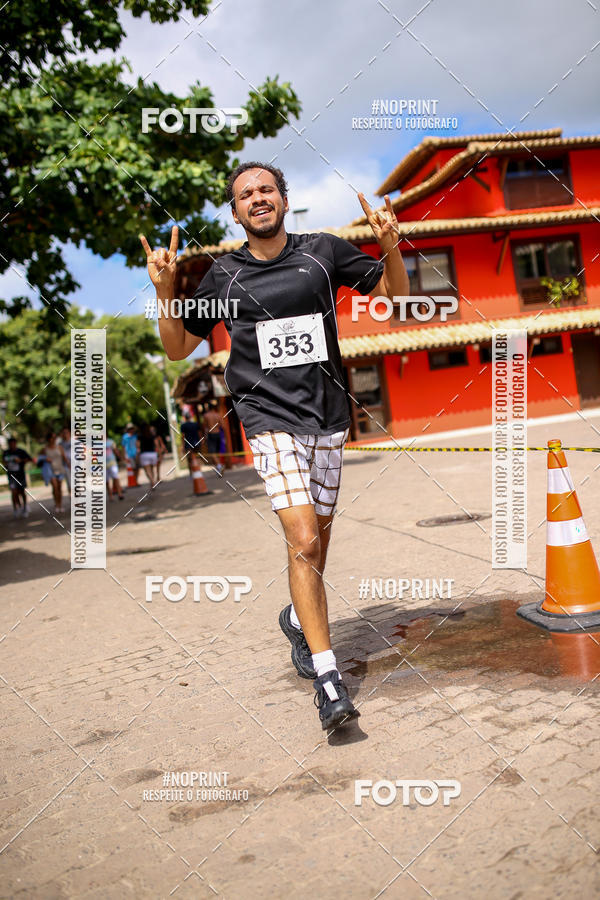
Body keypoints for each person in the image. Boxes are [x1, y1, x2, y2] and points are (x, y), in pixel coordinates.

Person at [140, 161, 409, 730]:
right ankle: (329, 678)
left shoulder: (323, 252)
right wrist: (164, 290)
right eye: (245, 195)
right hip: (266, 420)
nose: (257, 199)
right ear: (235, 212)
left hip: (328, 419)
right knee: (305, 539)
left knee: (314, 546)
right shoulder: (224, 277)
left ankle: (296, 616)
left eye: (266, 189)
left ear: (283, 199)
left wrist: (390, 247)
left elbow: (393, 296)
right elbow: (175, 347)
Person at [3, 437, 33, 517]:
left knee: (22, 492)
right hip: (11, 475)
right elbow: (4, 462)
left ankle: (25, 507)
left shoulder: (21, 451)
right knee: (14, 492)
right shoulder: (6, 452)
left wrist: (20, 461)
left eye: (13, 444)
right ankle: (17, 508)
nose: (12, 445)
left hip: (20, 475)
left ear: (15, 444)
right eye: (10, 444)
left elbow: (30, 459)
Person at [41, 430, 69, 514]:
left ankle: (60, 504)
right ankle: (56, 504)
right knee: (55, 487)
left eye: (54, 437)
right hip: (50, 471)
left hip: (60, 469)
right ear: (49, 439)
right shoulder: (45, 449)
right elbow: (40, 458)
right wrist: (45, 459)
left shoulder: (59, 447)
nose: (53, 439)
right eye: (52, 437)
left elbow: (64, 458)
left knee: (59, 488)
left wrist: (69, 465)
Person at [202, 400, 225, 475]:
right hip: (218, 434)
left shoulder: (206, 415)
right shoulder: (218, 415)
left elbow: (205, 427)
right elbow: (223, 426)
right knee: (217, 452)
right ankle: (218, 469)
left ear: (208, 408)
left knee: (212, 452)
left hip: (210, 434)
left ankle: (219, 466)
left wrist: (204, 437)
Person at [138, 423, 159, 487]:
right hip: (153, 454)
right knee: (152, 469)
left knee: (147, 471)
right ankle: (153, 481)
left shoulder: (139, 436)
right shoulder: (152, 435)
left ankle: (152, 481)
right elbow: (156, 444)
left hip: (144, 454)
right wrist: (158, 453)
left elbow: (137, 445)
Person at [106, 435, 124, 500]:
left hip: (112, 462)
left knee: (115, 477)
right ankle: (110, 495)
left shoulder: (110, 442)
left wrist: (120, 457)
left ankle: (120, 493)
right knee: (107, 481)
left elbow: (115, 450)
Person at [59, 426, 72, 494]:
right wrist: (68, 463)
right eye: (63, 433)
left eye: (66, 432)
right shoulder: (60, 444)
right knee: (70, 483)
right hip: (66, 465)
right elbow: (62, 455)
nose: (65, 434)